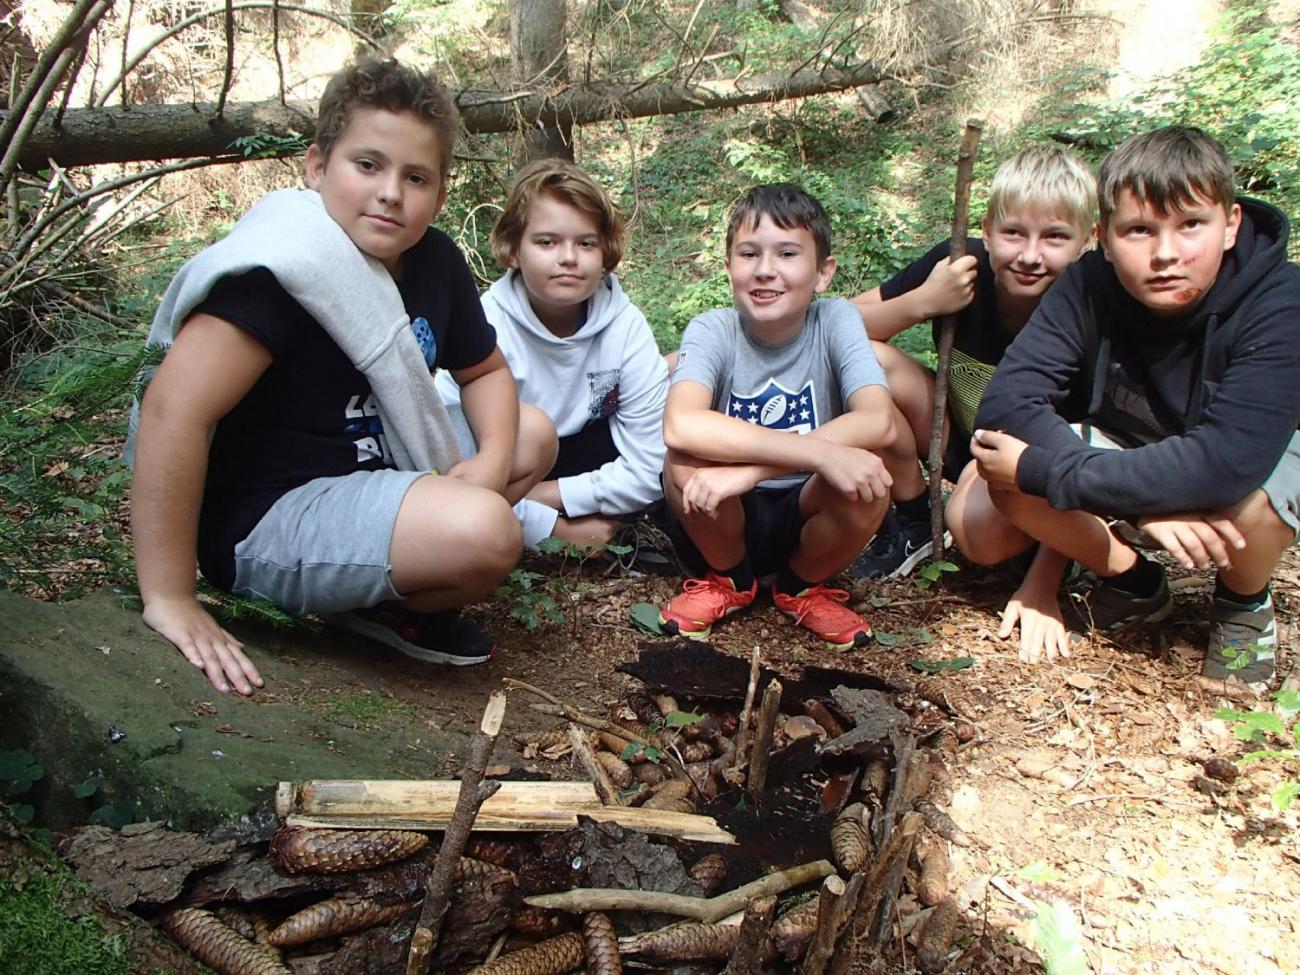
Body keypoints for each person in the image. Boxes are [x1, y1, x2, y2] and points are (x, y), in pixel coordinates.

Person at [129, 57, 556, 695]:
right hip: (270, 515)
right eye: (368, 165)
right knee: (486, 533)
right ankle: (394, 588)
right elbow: (174, 411)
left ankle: (382, 602)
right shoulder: (280, 272)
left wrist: (493, 462)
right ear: (317, 166)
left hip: (374, 467)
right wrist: (169, 595)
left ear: (440, 196)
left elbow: (487, 371)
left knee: (534, 436)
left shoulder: (434, 260)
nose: (390, 192)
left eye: (415, 177)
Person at [973, 125, 1300, 689]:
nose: (1166, 254)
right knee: (1004, 472)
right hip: (1134, 447)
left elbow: (1225, 463)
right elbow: (1004, 406)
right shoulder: (1086, 284)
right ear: (1103, 235)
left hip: (1248, 463)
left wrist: (1049, 470)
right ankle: (1134, 581)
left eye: (1191, 224)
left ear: (1230, 225)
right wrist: (1146, 508)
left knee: (1249, 505)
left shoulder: (1279, 301)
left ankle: (1243, 602)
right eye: (1139, 231)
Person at [849, 146, 1096, 629]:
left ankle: (1061, 546)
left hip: (1032, 470)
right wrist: (922, 302)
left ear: (1088, 240)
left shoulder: (1092, 304)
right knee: (871, 360)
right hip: (958, 439)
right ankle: (916, 515)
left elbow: (1087, 448)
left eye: (1054, 238)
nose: (1029, 254)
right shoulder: (960, 263)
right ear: (986, 230)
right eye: (1013, 233)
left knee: (977, 537)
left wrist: (1044, 581)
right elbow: (840, 325)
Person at [657, 183, 895, 648]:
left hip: (808, 504)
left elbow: (877, 419)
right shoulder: (713, 329)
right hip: (720, 513)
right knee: (682, 459)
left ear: (823, 272)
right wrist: (813, 455)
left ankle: (801, 586)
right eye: (749, 254)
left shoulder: (836, 320)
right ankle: (728, 580)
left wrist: (753, 471)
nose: (766, 271)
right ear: (729, 269)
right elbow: (681, 423)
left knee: (868, 477)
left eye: (787, 254)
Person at [436, 159, 668, 551]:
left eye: (586, 243)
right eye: (547, 242)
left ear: (605, 252)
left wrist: (542, 496)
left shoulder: (624, 326)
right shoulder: (484, 326)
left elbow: (650, 469)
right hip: (511, 464)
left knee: (678, 378)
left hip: (586, 461)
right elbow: (450, 476)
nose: (568, 258)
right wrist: (551, 529)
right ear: (513, 249)